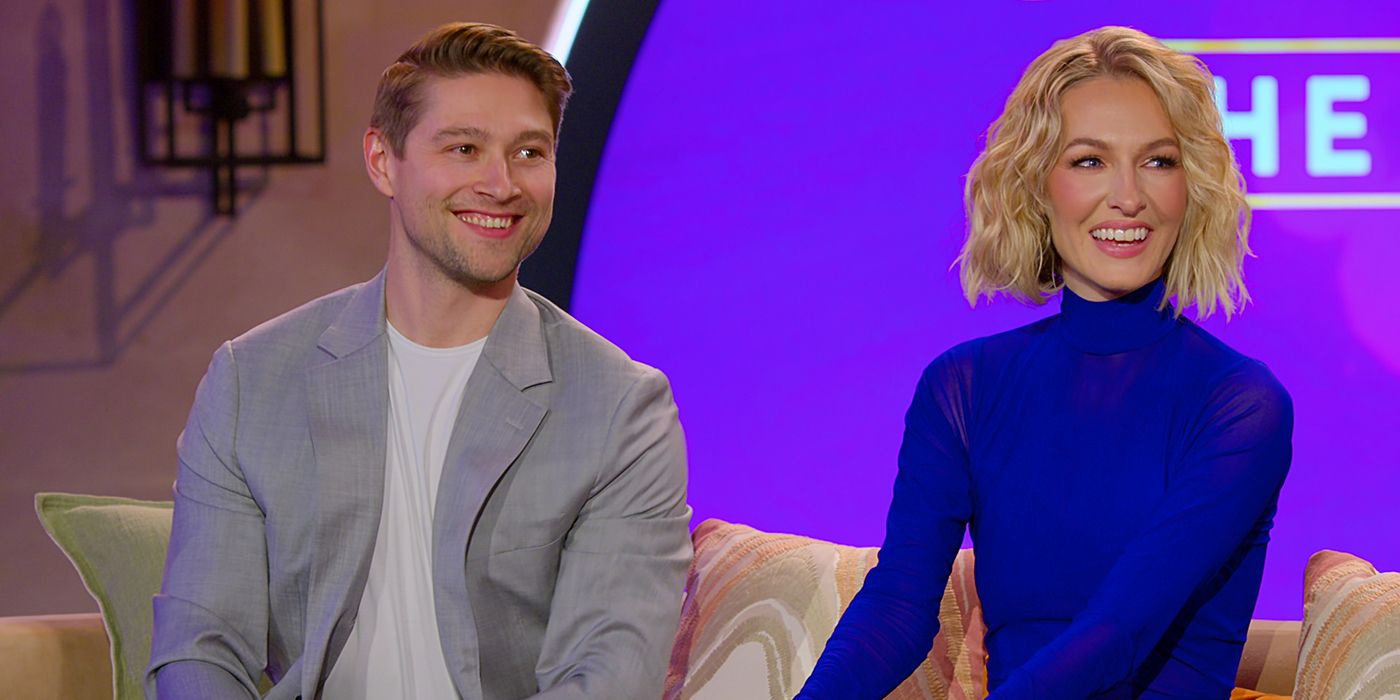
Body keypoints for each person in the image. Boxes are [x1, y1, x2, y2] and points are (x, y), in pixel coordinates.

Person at [146, 22, 691, 700]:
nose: (502, 184)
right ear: (383, 160)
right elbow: (200, 650)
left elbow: (609, 675)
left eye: (529, 151)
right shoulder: (251, 381)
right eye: (464, 148)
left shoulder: (618, 406)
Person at [797, 26, 1292, 699]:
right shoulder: (965, 386)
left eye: (1158, 161)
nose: (1128, 197)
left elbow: (1118, 632)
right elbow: (900, 609)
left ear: (1191, 186)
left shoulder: (1239, 402)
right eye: (1089, 161)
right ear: (1036, 185)